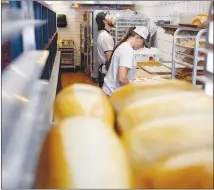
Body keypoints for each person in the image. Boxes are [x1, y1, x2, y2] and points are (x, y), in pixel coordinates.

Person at [102, 26, 149, 96]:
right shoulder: (127, 50)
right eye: (143, 44)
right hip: (114, 94)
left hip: (110, 91)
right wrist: (132, 90)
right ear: (138, 37)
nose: (141, 47)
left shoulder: (123, 46)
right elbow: (122, 78)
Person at [95, 12, 115, 87]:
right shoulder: (106, 37)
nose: (112, 18)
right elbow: (109, 59)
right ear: (105, 21)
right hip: (106, 73)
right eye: (110, 17)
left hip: (103, 71)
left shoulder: (103, 34)